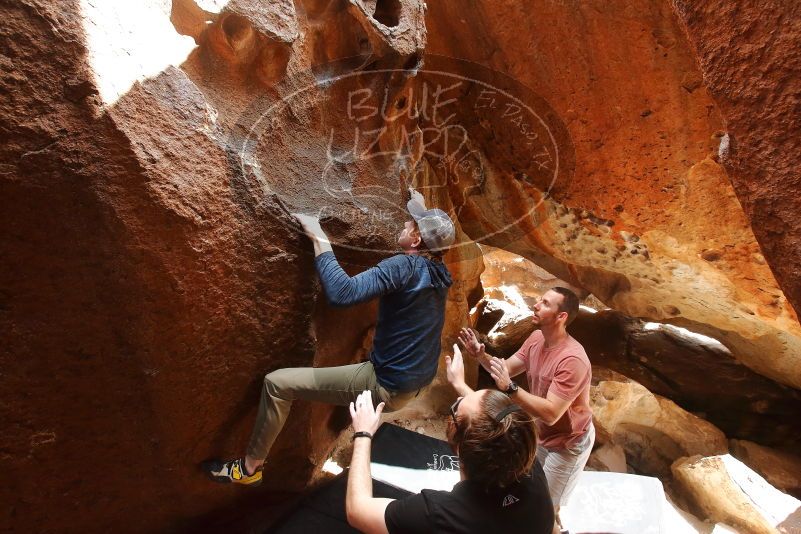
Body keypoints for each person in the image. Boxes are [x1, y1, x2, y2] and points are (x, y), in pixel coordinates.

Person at [203, 189, 455, 486]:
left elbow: (343, 292)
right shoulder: (440, 272)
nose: (402, 226)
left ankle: (249, 469)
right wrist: (422, 211)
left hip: (388, 384)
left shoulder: (403, 266)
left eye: (409, 225)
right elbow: (431, 244)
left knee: (277, 383)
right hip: (417, 381)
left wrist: (318, 236)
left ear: (416, 241)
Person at [345, 345, 554, 534]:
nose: (459, 400)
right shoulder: (528, 466)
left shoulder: (440, 516)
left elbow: (358, 510)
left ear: (460, 448)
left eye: (456, 408)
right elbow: (494, 426)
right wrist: (460, 384)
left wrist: (363, 433)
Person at [458, 287, 593, 531]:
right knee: (527, 492)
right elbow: (506, 369)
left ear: (561, 317)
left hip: (568, 443)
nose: (536, 305)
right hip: (541, 435)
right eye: (539, 300)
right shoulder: (536, 339)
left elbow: (552, 413)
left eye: (545, 303)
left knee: (548, 508)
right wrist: (481, 356)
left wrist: (510, 390)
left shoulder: (572, 360)